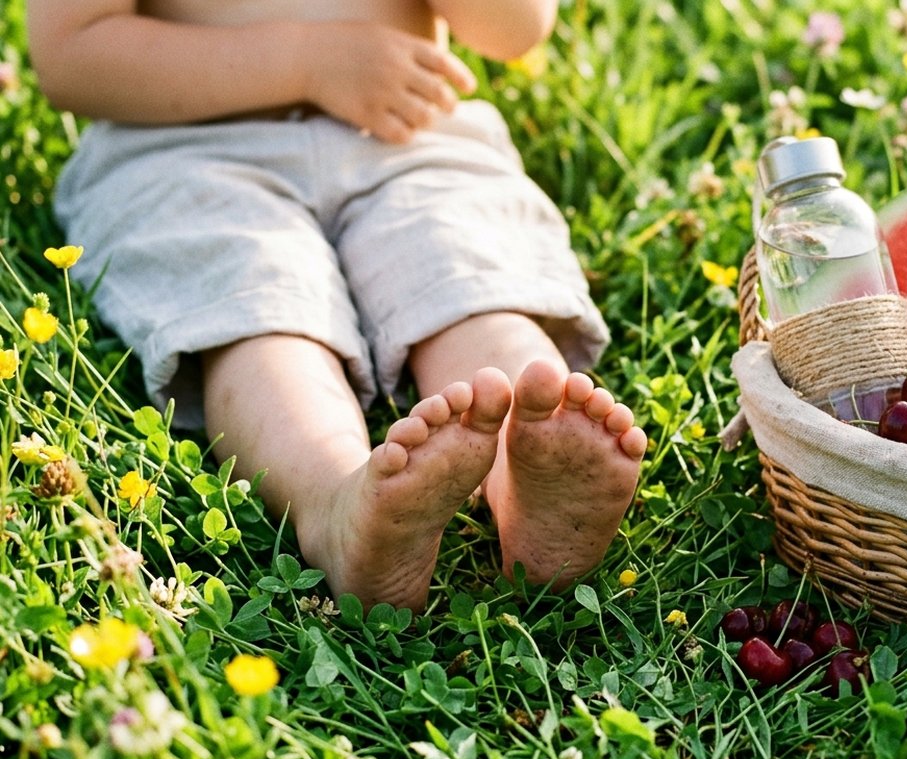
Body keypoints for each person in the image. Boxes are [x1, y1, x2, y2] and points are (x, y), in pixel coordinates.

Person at [27, 1, 647, 610]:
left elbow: (514, 30)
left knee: (461, 266)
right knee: (258, 307)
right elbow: (72, 54)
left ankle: (524, 468)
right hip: (188, 148)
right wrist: (304, 62)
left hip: (406, 127)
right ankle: (334, 502)